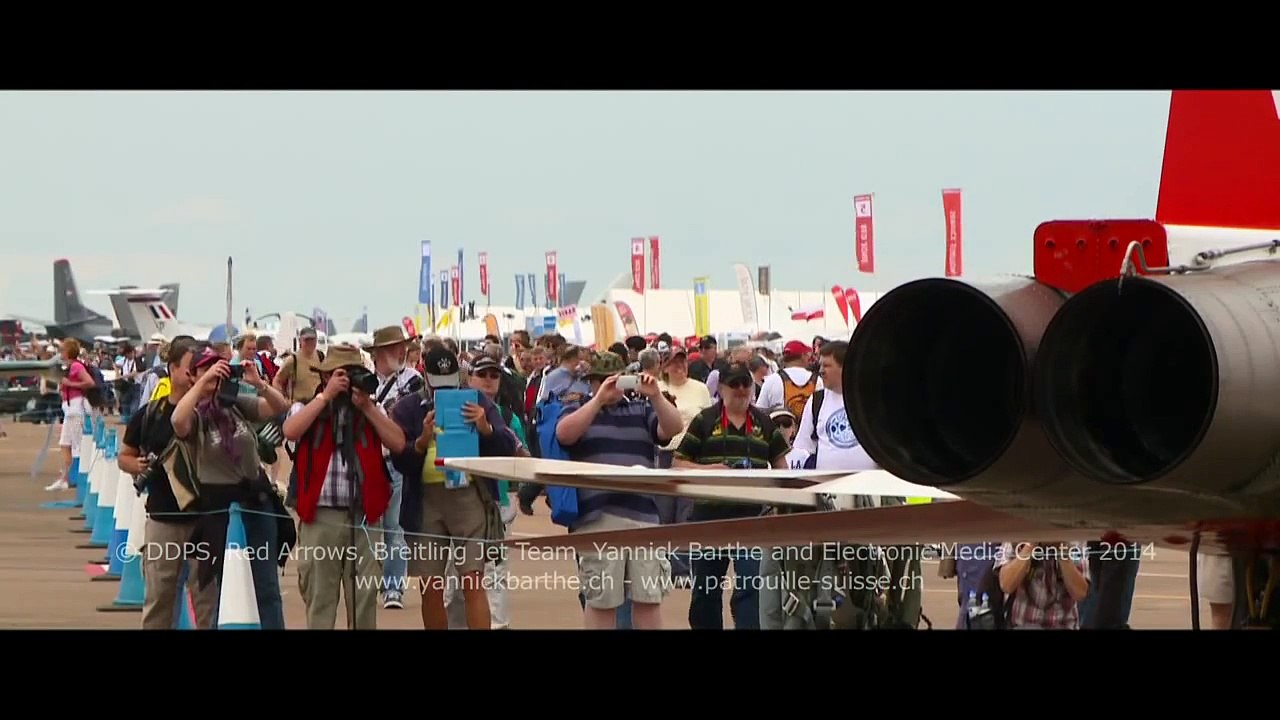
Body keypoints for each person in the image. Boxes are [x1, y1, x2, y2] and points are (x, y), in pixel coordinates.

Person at [554, 351, 685, 629]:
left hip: (644, 516)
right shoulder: (579, 407)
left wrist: (656, 396)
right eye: (600, 380)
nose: (608, 385)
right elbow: (564, 434)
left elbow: (673, 427)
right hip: (598, 518)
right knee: (602, 600)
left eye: (614, 380)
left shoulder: (641, 408)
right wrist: (598, 399)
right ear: (590, 382)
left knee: (649, 598)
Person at [389, 345, 517, 630]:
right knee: (430, 585)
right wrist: (421, 442)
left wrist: (486, 428)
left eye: (450, 383)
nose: (442, 391)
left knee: (473, 580)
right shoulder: (408, 407)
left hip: (469, 496)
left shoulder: (477, 400)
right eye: (437, 384)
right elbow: (401, 463)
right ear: (425, 374)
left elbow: (507, 446)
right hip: (426, 502)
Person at [282, 344, 407, 630]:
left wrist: (367, 406)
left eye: (353, 375)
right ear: (325, 377)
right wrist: (326, 397)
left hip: (364, 519)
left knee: (364, 598)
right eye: (340, 375)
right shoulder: (308, 406)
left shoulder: (370, 409)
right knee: (319, 597)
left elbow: (398, 443)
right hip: (320, 517)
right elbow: (290, 430)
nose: (346, 382)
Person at [170, 347, 292, 629]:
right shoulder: (196, 414)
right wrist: (202, 384)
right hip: (219, 511)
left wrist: (259, 383)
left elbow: (279, 407)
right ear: (193, 375)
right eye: (208, 367)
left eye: (220, 367)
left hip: (256, 503)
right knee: (223, 588)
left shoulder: (235, 404)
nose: (217, 372)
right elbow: (177, 421)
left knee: (267, 587)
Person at [674, 361, 789, 630]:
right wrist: (708, 469)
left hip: (753, 519)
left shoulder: (764, 422)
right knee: (705, 590)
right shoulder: (704, 420)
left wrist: (778, 503)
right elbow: (679, 464)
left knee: (751, 587)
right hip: (708, 520)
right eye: (734, 384)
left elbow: (782, 468)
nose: (740, 389)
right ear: (722, 387)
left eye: (745, 384)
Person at [118, 339, 222, 629]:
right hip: (164, 518)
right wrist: (134, 465)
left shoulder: (214, 412)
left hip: (205, 519)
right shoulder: (149, 414)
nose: (194, 374)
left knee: (206, 604)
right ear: (173, 368)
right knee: (159, 600)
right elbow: (124, 455)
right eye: (190, 367)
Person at [363, 326, 423, 611]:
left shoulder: (413, 381)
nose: (400, 352)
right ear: (378, 354)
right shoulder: (365, 381)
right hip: (368, 462)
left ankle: (393, 587)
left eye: (401, 347)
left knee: (394, 528)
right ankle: (367, 581)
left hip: (395, 461)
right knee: (365, 526)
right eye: (393, 348)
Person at [47, 338, 95, 491]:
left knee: (76, 445)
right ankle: (66, 477)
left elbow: (90, 382)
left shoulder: (75, 366)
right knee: (65, 444)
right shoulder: (69, 367)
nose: (60, 353)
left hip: (75, 408)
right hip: (69, 409)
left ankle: (74, 477)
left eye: (62, 350)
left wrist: (70, 384)